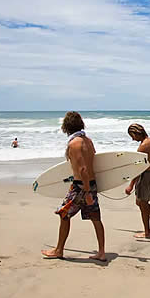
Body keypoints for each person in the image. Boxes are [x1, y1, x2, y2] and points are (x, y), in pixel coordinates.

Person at [41, 111, 106, 261]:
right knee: (95, 218)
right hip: (91, 185)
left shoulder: (74, 143)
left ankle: (59, 250)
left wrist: (87, 192)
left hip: (81, 187)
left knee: (64, 214)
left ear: (66, 127)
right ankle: (101, 252)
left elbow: (82, 169)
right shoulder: (88, 141)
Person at [125, 123, 150, 239]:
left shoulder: (143, 146)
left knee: (142, 203)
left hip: (145, 175)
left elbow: (138, 168)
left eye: (132, 135)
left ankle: (148, 231)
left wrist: (131, 185)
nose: (132, 139)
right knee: (141, 202)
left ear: (136, 133)